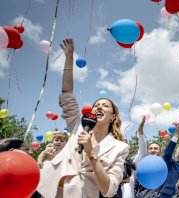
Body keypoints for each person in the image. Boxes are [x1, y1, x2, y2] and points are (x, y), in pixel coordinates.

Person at [37, 38, 129, 198]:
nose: (99, 107)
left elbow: (109, 190)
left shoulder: (120, 148)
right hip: (48, 191)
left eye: (105, 105)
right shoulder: (77, 125)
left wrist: (91, 153)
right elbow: (67, 93)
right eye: (96, 105)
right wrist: (69, 58)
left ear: (113, 116)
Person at [133, 117, 161, 198]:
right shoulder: (144, 159)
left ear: (160, 151)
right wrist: (142, 123)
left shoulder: (164, 164)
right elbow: (141, 136)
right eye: (151, 148)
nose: (153, 150)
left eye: (156, 148)